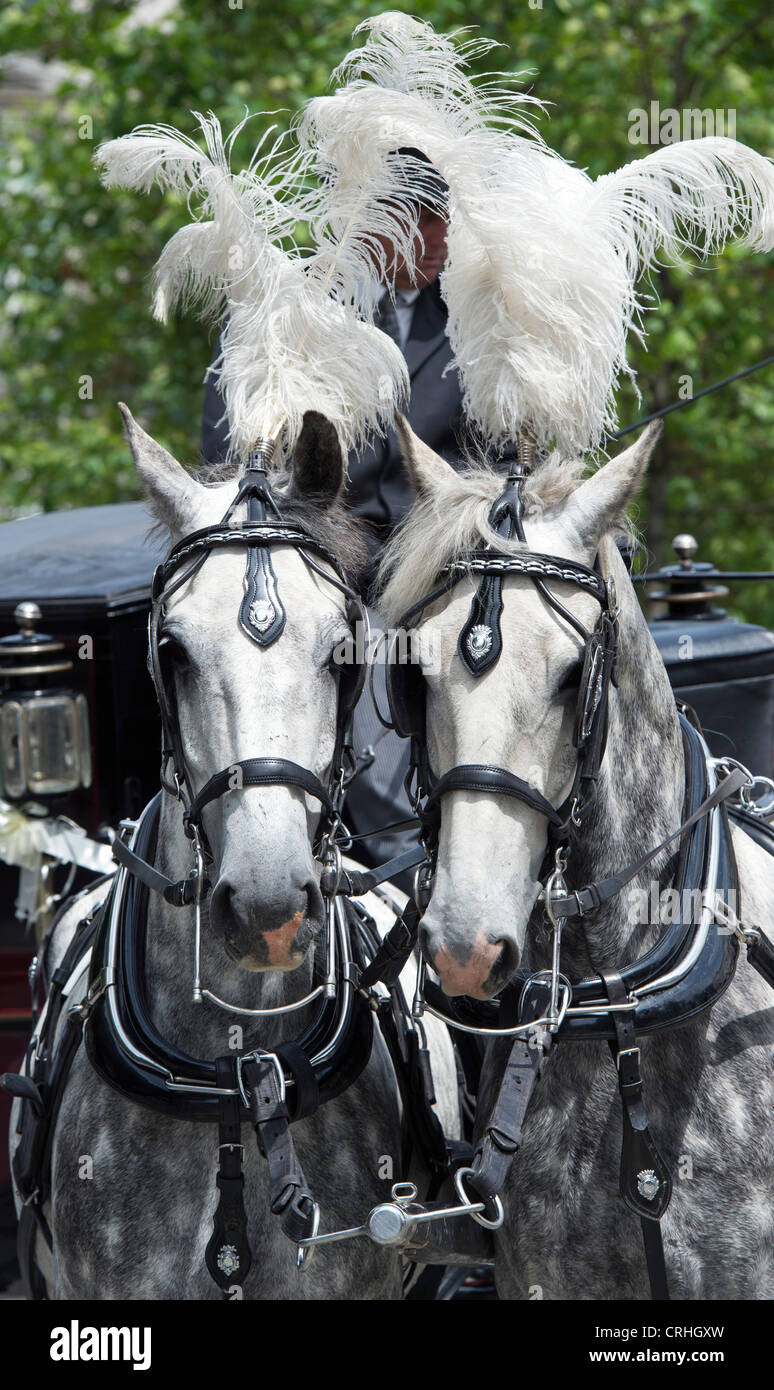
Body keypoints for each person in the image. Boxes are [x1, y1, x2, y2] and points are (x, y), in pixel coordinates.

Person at [199, 153, 515, 888]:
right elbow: (230, 451)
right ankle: (395, 880)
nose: (441, 246)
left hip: (440, 570)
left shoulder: (469, 321)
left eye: (446, 228)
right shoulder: (296, 312)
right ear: (380, 227)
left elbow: (493, 460)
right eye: (427, 228)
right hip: (324, 568)